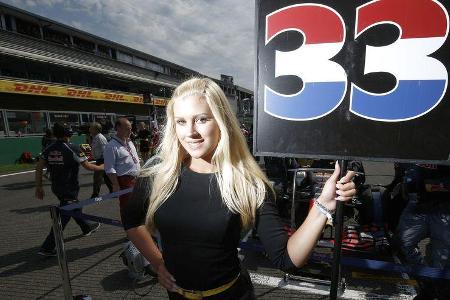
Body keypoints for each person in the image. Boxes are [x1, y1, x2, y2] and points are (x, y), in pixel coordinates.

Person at [122, 78, 356, 299]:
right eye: (181, 121)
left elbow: (286, 258)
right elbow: (132, 221)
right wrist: (157, 262)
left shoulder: (248, 183)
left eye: (202, 119)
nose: (190, 132)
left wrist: (323, 206)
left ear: (222, 122)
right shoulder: (158, 174)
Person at [35, 122, 103, 256]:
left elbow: (38, 167)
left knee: (74, 207)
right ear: (69, 133)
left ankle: (86, 227)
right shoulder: (73, 147)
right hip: (69, 188)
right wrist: (103, 167)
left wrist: (39, 187)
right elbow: (88, 166)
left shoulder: (49, 148)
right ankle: (48, 247)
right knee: (63, 215)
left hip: (56, 187)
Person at [393, 163, 450, 300]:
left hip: (445, 207)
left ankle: (437, 290)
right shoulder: (416, 143)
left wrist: (429, 186)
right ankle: (428, 284)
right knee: (401, 243)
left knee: (443, 260)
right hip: (417, 203)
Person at [104, 117, 140, 222]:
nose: (130, 131)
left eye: (131, 128)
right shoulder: (111, 146)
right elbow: (109, 168)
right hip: (125, 181)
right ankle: (129, 229)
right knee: (127, 206)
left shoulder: (129, 142)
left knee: (137, 204)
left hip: (137, 178)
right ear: (118, 128)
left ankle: (137, 226)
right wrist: (115, 185)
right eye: (127, 129)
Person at [89, 122, 113, 198]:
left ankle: (95, 195)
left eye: (91, 128)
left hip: (102, 160)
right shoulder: (95, 137)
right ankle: (113, 191)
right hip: (100, 159)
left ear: (96, 129)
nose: (89, 129)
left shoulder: (100, 137)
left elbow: (104, 149)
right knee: (106, 177)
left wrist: (104, 161)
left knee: (97, 178)